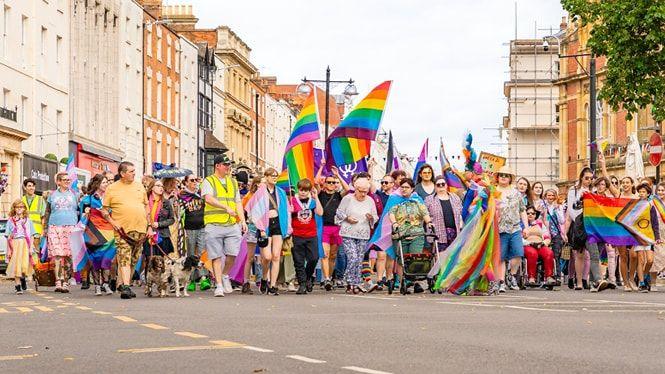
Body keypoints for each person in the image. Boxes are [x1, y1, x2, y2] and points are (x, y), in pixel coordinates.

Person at [102, 161, 150, 300]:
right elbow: (104, 211)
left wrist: (150, 225)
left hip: (140, 229)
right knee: (124, 257)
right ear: (122, 174)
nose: (134, 174)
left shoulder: (140, 186)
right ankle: (126, 287)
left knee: (134, 259)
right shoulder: (112, 188)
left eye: (134, 171)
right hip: (122, 230)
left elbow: (146, 206)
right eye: (131, 171)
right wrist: (113, 222)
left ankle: (123, 283)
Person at [201, 154, 248, 297]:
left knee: (232, 253)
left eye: (229, 165)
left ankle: (225, 275)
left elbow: (238, 202)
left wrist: (242, 220)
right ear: (217, 166)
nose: (228, 167)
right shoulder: (209, 181)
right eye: (225, 165)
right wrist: (224, 207)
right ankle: (219, 285)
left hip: (231, 223)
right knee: (215, 256)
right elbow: (208, 198)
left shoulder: (233, 182)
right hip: (214, 223)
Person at [389, 177, 433, 294]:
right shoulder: (395, 200)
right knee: (401, 260)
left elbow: (425, 213)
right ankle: (403, 281)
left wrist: (429, 222)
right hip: (400, 234)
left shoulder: (417, 201)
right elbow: (391, 213)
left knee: (414, 258)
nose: (404, 189)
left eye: (406, 187)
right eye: (402, 187)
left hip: (416, 234)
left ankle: (414, 282)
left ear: (412, 189)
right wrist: (394, 223)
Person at [336, 176, 378, 293]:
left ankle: (354, 283)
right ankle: (350, 279)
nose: (363, 194)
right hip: (348, 232)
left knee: (359, 260)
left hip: (363, 233)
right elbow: (339, 212)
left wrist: (371, 218)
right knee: (353, 257)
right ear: (355, 189)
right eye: (361, 191)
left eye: (366, 191)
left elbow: (375, 216)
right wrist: (347, 218)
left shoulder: (370, 200)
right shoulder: (348, 199)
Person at [256, 168, 291, 296]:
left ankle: (273, 285)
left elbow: (286, 210)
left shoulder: (281, 192)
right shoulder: (260, 192)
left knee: (276, 256)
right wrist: (260, 229)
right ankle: (265, 277)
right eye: (272, 176)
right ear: (266, 177)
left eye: (276, 176)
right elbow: (255, 211)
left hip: (278, 224)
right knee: (267, 257)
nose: (275, 178)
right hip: (265, 226)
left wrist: (288, 228)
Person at [43, 172, 79, 293]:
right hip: (54, 227)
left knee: (68, 256)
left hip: (71, 227)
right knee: (58, 255)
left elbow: (81, 210)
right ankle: (59, 280)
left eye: (68, 180)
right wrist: (45, 228)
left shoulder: (75, 195)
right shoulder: (52, 195)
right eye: (64, 180)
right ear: (58, 182)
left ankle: (66, 281)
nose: (67, 182)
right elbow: (47, 212)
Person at [79, 174, 115, 296]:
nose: (106, 184)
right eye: (104, 182)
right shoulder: (87, 199)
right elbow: (81, 216)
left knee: (107, 259)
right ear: (97, 184)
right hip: (93, 232)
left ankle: (106, 283)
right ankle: (97, 285)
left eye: (107, 182)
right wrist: (86, 213)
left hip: (109, 232)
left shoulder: (110, 198)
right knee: (95, 259)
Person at [495, 166, 528, 292]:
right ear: (497, 177)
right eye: (501, 175)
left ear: (510, 178)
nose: (503, 177)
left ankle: (512, 275)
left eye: (506, 175)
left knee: (518, 253)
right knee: (501, 257)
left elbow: (522, 210)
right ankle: (501, 281)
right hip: (500, 229)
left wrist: (526, 227)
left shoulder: (516, 193)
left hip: (515, 228)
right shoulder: (493, 191)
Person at [317, 165, 350, 291]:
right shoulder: (320, 194)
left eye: (333, 183)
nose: (331, 184)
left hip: (337, 228)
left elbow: (347, 189)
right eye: (329, 182)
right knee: (324, 254)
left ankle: (329, 277)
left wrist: (338, 176)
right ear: (324, 184)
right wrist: (321, 167)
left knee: (333, 255)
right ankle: (326, 278)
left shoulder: (338, 195)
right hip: (324, 227)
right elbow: (315, 182)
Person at [564, 167, 597, 291]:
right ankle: (578, 281)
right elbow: (571, 208)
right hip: (578, 223)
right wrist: (578, 219)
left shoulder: (593, 190)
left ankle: (589, 280)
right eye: (586, 178)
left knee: (592, 253)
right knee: (579, 254)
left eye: (590, 178)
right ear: (581, 177)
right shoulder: (574, 190)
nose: (588, 180)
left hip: (591, 224)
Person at [290, 179, 323, 295]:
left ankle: (308, 277)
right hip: (297, 235)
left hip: (311, 235)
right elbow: (288, 215)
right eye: (301, 190)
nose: (303, 192)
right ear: (298, 189)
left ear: (309, 191)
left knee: (314, 258)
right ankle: (302, 284)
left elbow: (320, 212)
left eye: (305, 190)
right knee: (298, 261)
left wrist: (316, 197)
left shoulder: (312, 201)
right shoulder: (292, 200)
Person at [179, 174, 211, 292]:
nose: (195, 182)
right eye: (192, 180)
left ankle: (203, 278)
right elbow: (179, 213)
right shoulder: (182, 195)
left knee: (202, 252)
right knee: (191, 253)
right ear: (186, 182)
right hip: (189, 228)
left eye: (196, 180)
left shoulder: (201, 193)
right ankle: (191, 279)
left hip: (202, 226)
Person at [633, 183, 661, 292]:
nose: (641, 194)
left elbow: (655, 223)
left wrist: (657, 237)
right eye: (640, 192)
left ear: (648, 193)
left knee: (649, 260)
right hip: (638, 235)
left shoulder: (650, 206)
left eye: (643, 192)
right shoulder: (634, 206)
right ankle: (641, 283)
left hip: (649, 236)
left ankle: (643, 276)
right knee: (641, 259)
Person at [424, 176, 462, 251]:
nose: (441, 186)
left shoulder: (455, 197)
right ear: (435, 186)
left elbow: (461, 212)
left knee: (453, 258)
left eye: (443, 184)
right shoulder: (429, 199)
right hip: (438, 235)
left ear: (446, 185)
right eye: (438, 184)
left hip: (455, 233)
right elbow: (424, 214)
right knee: (440, 259)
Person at [5, 200, 35, 294]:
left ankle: (22, 278)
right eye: (17, 207)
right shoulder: (10, 221)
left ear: (24, 209)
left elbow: (32, 235)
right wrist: (9, 250)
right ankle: (17, 286)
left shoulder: (28, 221)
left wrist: (31, 247)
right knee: (16, 265)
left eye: (21, 207)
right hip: (15, 243)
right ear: (14, 208)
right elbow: (8, 236)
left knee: (24, 265)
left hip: (25, 244)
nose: (19, 209)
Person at [523, 206, 556, 286]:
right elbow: (519, 238)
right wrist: (529, 243)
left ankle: (549, 277)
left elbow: (546, 236)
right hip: (528, 244)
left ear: (535, 215)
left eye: (532, 213)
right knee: (532, 253)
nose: (530, 215)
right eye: (528, 213)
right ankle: (531, 277)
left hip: (540, 244)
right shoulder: (522, 225)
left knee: (549, 253)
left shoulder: (540, 224)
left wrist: (543, 243)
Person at [143, 179, 175, 260]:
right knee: (148, 260)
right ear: (152, 188)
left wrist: (159, 224)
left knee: (160, 261)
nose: (161, 188)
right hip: (147, 234)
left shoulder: (166, 202)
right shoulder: (145, 201)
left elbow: (172, 219)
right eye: (158, 186)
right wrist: (148, 226)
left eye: (162, 186)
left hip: (162, 235)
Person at [241, 176, 262, 294]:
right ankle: (246, 282)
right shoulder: (249, 196)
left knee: (264, 257)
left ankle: (263, 280)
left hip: (264, 228)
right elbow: (243, 211)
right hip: (253, 227)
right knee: (250, 257)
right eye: (259, 183)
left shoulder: (267, 196)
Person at [543, 188, 566, 285]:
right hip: (545, 233)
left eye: (553, 195)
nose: (551, 197)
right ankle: (546, 275)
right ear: (545, 196)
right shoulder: (542, 205)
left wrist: (557, 210)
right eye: (549, 195)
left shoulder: (558, 207)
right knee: (546, 254)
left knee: (556, 254)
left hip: (556, 233)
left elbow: (562, 221)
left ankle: (557, 276)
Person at [21, 178, 45, 251]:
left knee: (36, 251)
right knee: (25, 251)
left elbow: (43, 217)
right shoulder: (21, 200)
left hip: (37, 230)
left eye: (33, 186)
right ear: (25, 188)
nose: (32, 188)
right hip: (24, 230)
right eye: (29, 186)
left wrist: (43, 231)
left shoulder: (40, 199)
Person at [650, 182, 665, 292]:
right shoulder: (653, 202)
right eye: (659, 190)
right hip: (656, 233)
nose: (660, 192)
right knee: (656, 258)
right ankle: (653, 282)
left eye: (663, 190)